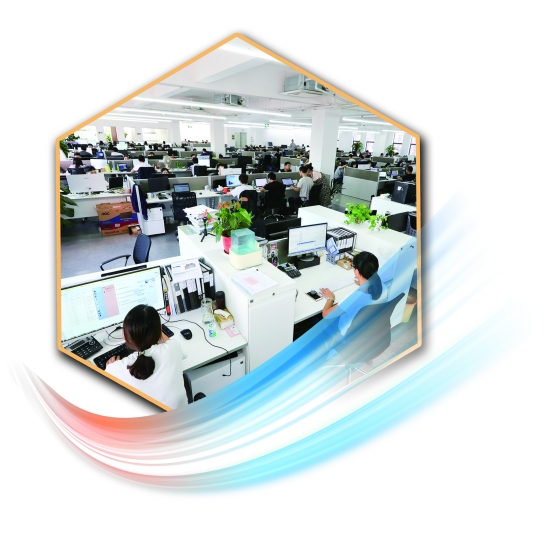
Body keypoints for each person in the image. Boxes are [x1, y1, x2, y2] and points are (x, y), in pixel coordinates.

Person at [105, 305, 187, 409]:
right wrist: (155, 330)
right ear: (160, 329)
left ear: (124, 336)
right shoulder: (173, 347)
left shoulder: (114, 369)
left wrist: (111, 367)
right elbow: (175, 348)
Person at [319, 252, 386, 337]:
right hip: (367, 330)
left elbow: (326, 315)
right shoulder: (383, 287)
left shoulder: (353, 298)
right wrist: (362, 283)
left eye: (353, 266)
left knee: (317, 320)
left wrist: (331, 298)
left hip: (347, 333)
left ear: (357, 271)